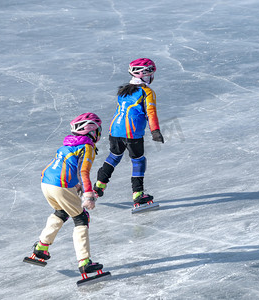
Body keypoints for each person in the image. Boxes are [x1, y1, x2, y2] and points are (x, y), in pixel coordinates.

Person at [31, 113, 104, 275]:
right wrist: (88, 195)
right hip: (61, 185)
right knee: (81, 218)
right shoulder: (87, 147)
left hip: (46, 183)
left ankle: (41, 247)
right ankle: (84, 262)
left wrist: (76, 185)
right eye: (98, 130)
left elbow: (68, 167)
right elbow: (84, 172)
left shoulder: (66, 146)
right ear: (92, 131)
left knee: (61, 212)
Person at [93, 58, 164, 206]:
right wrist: (155, 131)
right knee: (138, 160)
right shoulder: (147, 92)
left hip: (115, 129)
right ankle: (138, 194)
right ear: (145, 75)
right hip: (132, 132)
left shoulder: (123, 90)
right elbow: (151, 113)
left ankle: (99, 185)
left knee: (114, 156)